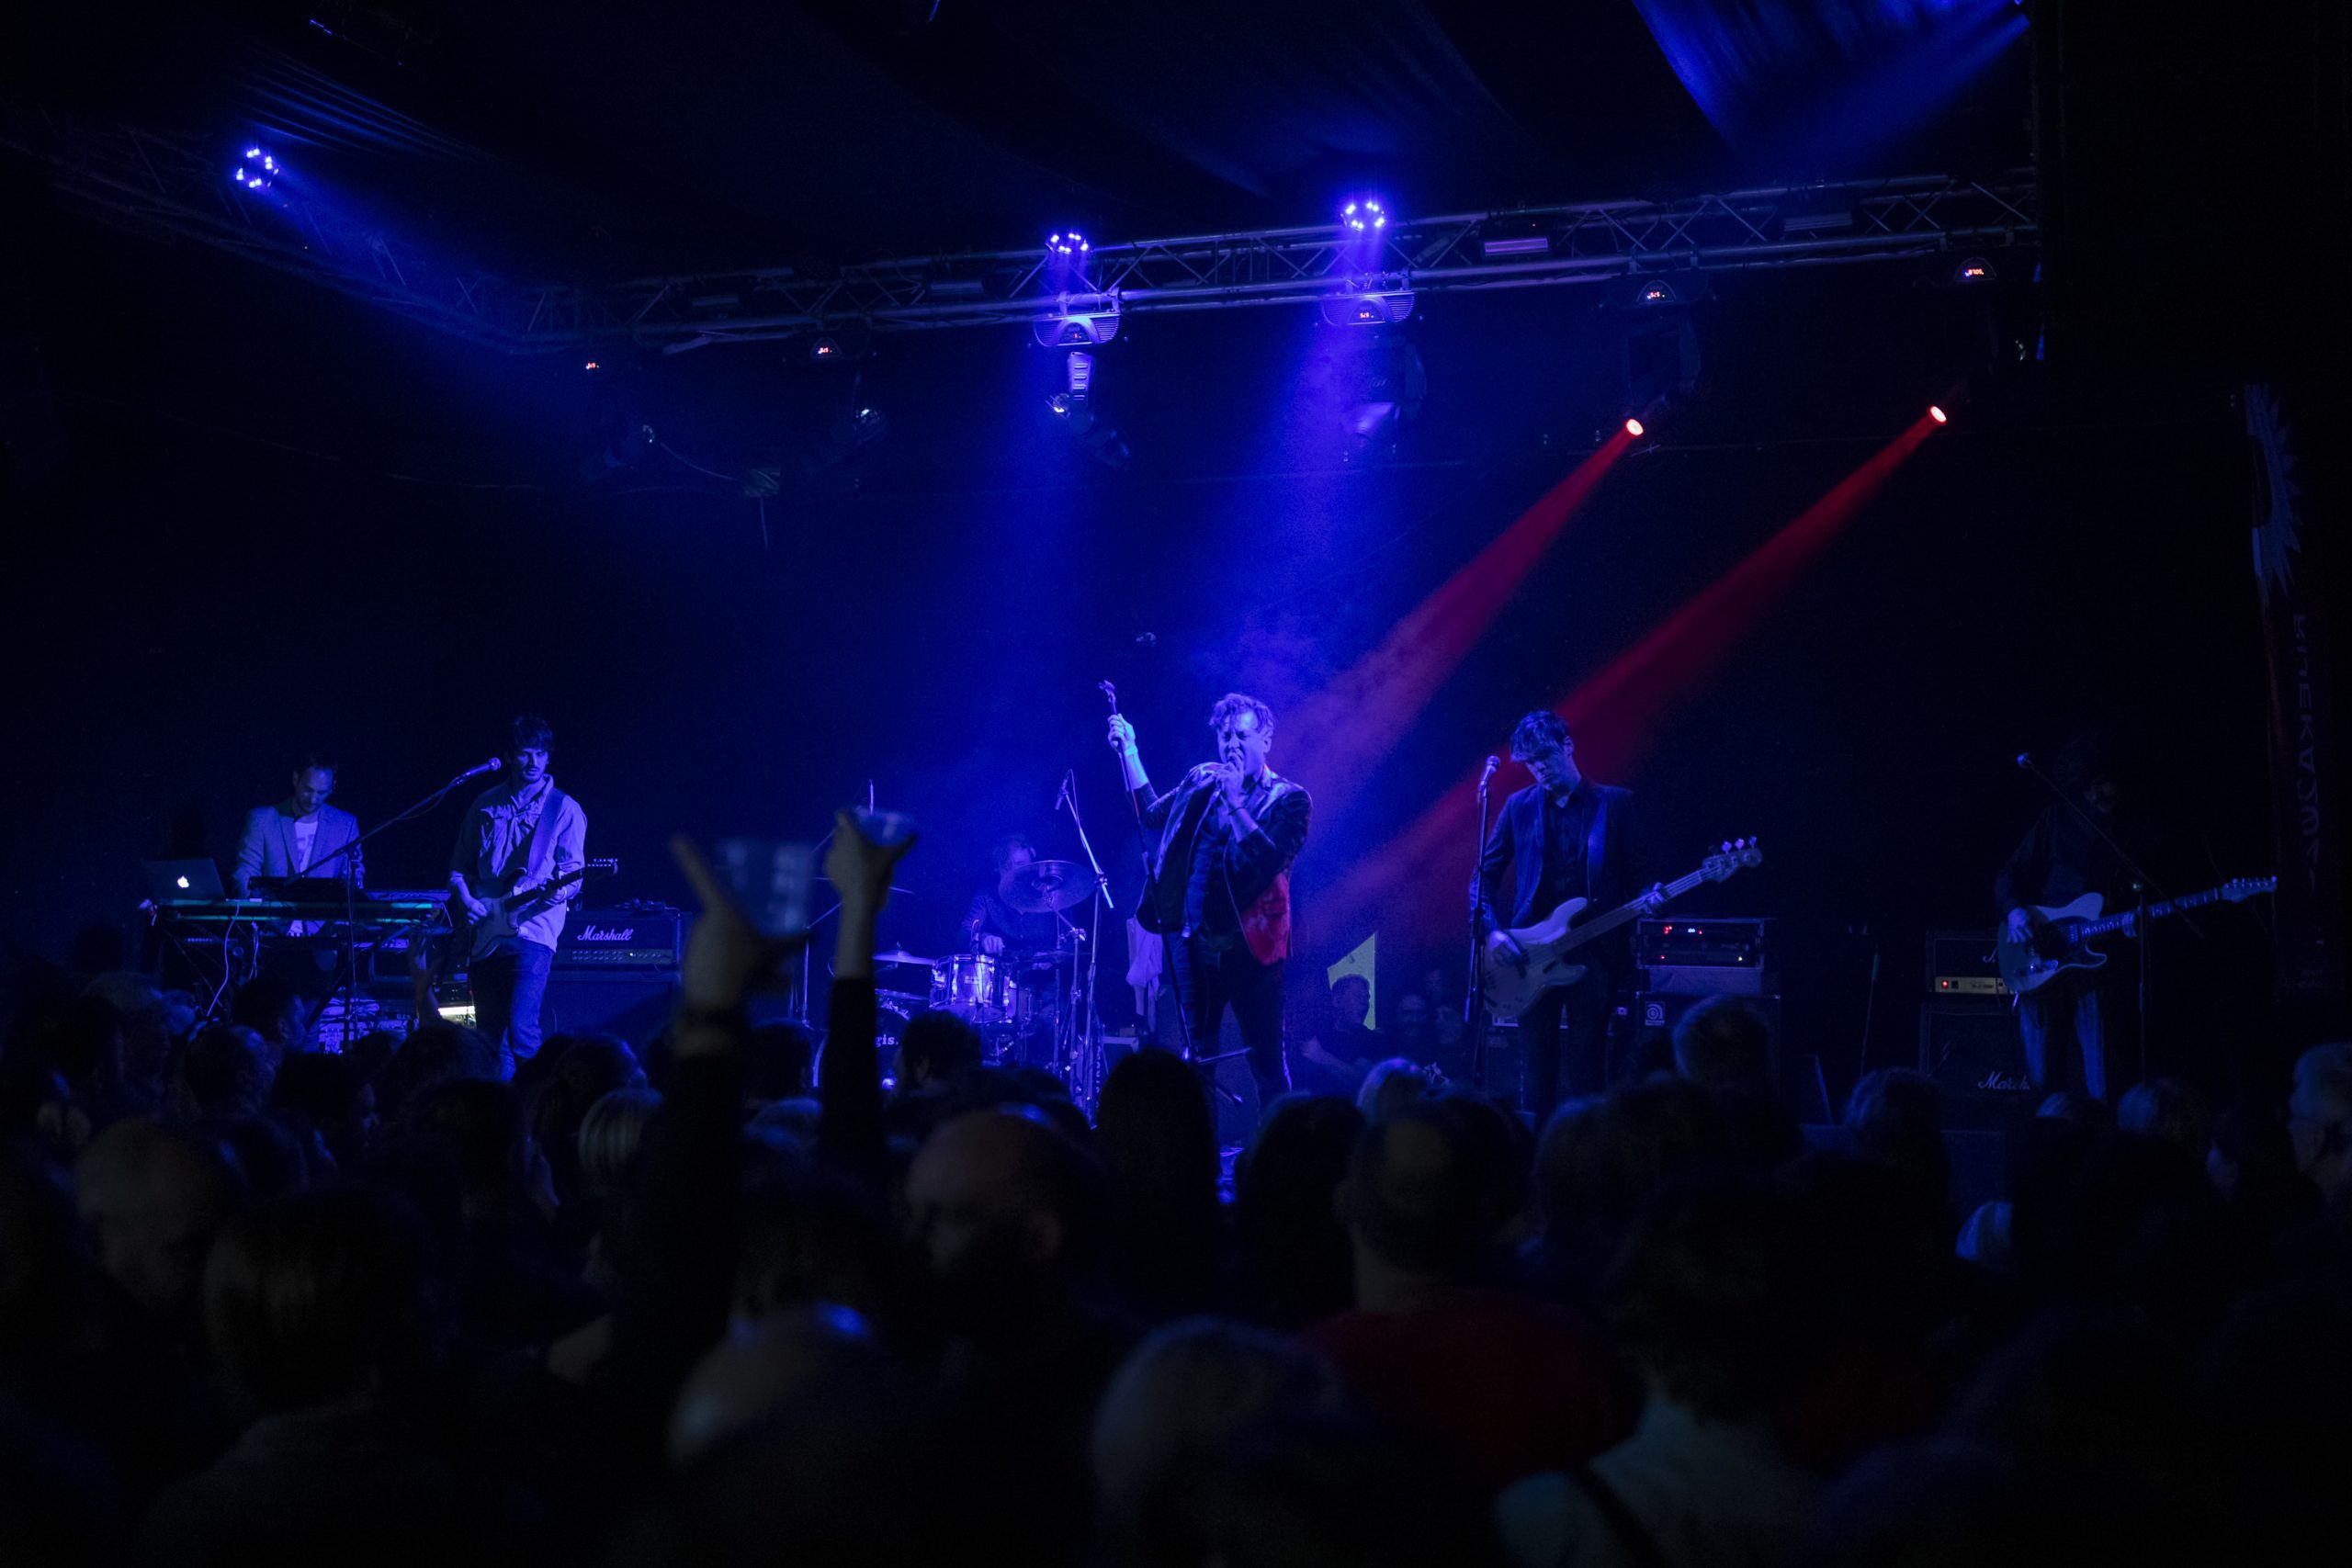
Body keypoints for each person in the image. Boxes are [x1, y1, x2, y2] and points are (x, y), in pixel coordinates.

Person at [1109, 693, 1312, 1110]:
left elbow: (1266, 861)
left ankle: (1284, 1145)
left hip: (1254, 949)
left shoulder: (1290, 799)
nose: (1231, 745)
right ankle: (1199, 1148)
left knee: (1268, 1063)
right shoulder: (1203, 778)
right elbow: (1152, 815)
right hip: (1194, 943)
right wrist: (1129, 750)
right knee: (1197, 1061)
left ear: (1265, 739)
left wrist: (1235, 804)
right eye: (1225, 736)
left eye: (1241, 736)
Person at [1473, 711, 1650, 1121]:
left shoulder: (1614, 803)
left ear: (1568, 746)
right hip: (1528, 955)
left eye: (1545, 757)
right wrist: (1494, 933)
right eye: (1531, 763)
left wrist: (1649, 898)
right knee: (1537, 1076)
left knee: (1588, 1073)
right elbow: (1483, 877)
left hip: (1594, 952)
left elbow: (1640, 875)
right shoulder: (1519, 807)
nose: (1539, 769)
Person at [447, 716, 588, 1074]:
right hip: (485, 930)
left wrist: (554, 892)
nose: (533, 762)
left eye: (540, 754)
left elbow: (573, 874)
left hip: (533, 930)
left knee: (522, 1030)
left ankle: (537, 1101)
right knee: (489, 1036)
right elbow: (458, 869)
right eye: (525, 753)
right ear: (509, 756)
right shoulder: (484, 804)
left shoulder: (564, 808)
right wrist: (468, 902)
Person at [1995, 733, 2129, 1102]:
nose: (2098, 795)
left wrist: (2133, 926)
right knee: (2042, 1080)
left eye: (2104, 785)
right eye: (2091, 787)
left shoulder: (2132, 828)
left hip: (2098, 965)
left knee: (2103, 1083)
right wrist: (2016, 912)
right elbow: (2009, 874)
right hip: (2042, 951)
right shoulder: (2058, 818)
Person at [230, 751, 363, 897]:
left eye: (321, 793)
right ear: (295, 779)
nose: (313, 799)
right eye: (308, 790)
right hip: (271, 910)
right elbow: (245, 873)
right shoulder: (262, 820)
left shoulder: (345, 826)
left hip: (322, 911)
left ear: (333, 787)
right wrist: (254, 907)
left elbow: (353, 879)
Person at [961, 835, 1064, 956]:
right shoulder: (986, 897)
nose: (1013, 871)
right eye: (1006, 866)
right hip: (1000, 967)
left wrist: (1051, 957)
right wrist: (984, 938)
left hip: (1045, 968)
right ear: (998, 868)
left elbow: (1070, 942)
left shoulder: (1052, 896)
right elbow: (964, 933)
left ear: (1032, 865)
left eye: (1020, 864)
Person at [1298, 975, 1382, 1095]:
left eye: (1367, 998)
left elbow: (1364, 1081)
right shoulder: (1319, 1035)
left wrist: (1322, 1056)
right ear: (1336, 1001)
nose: (1365, 1003)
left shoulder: (1370, 1038)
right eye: (1358, 996)